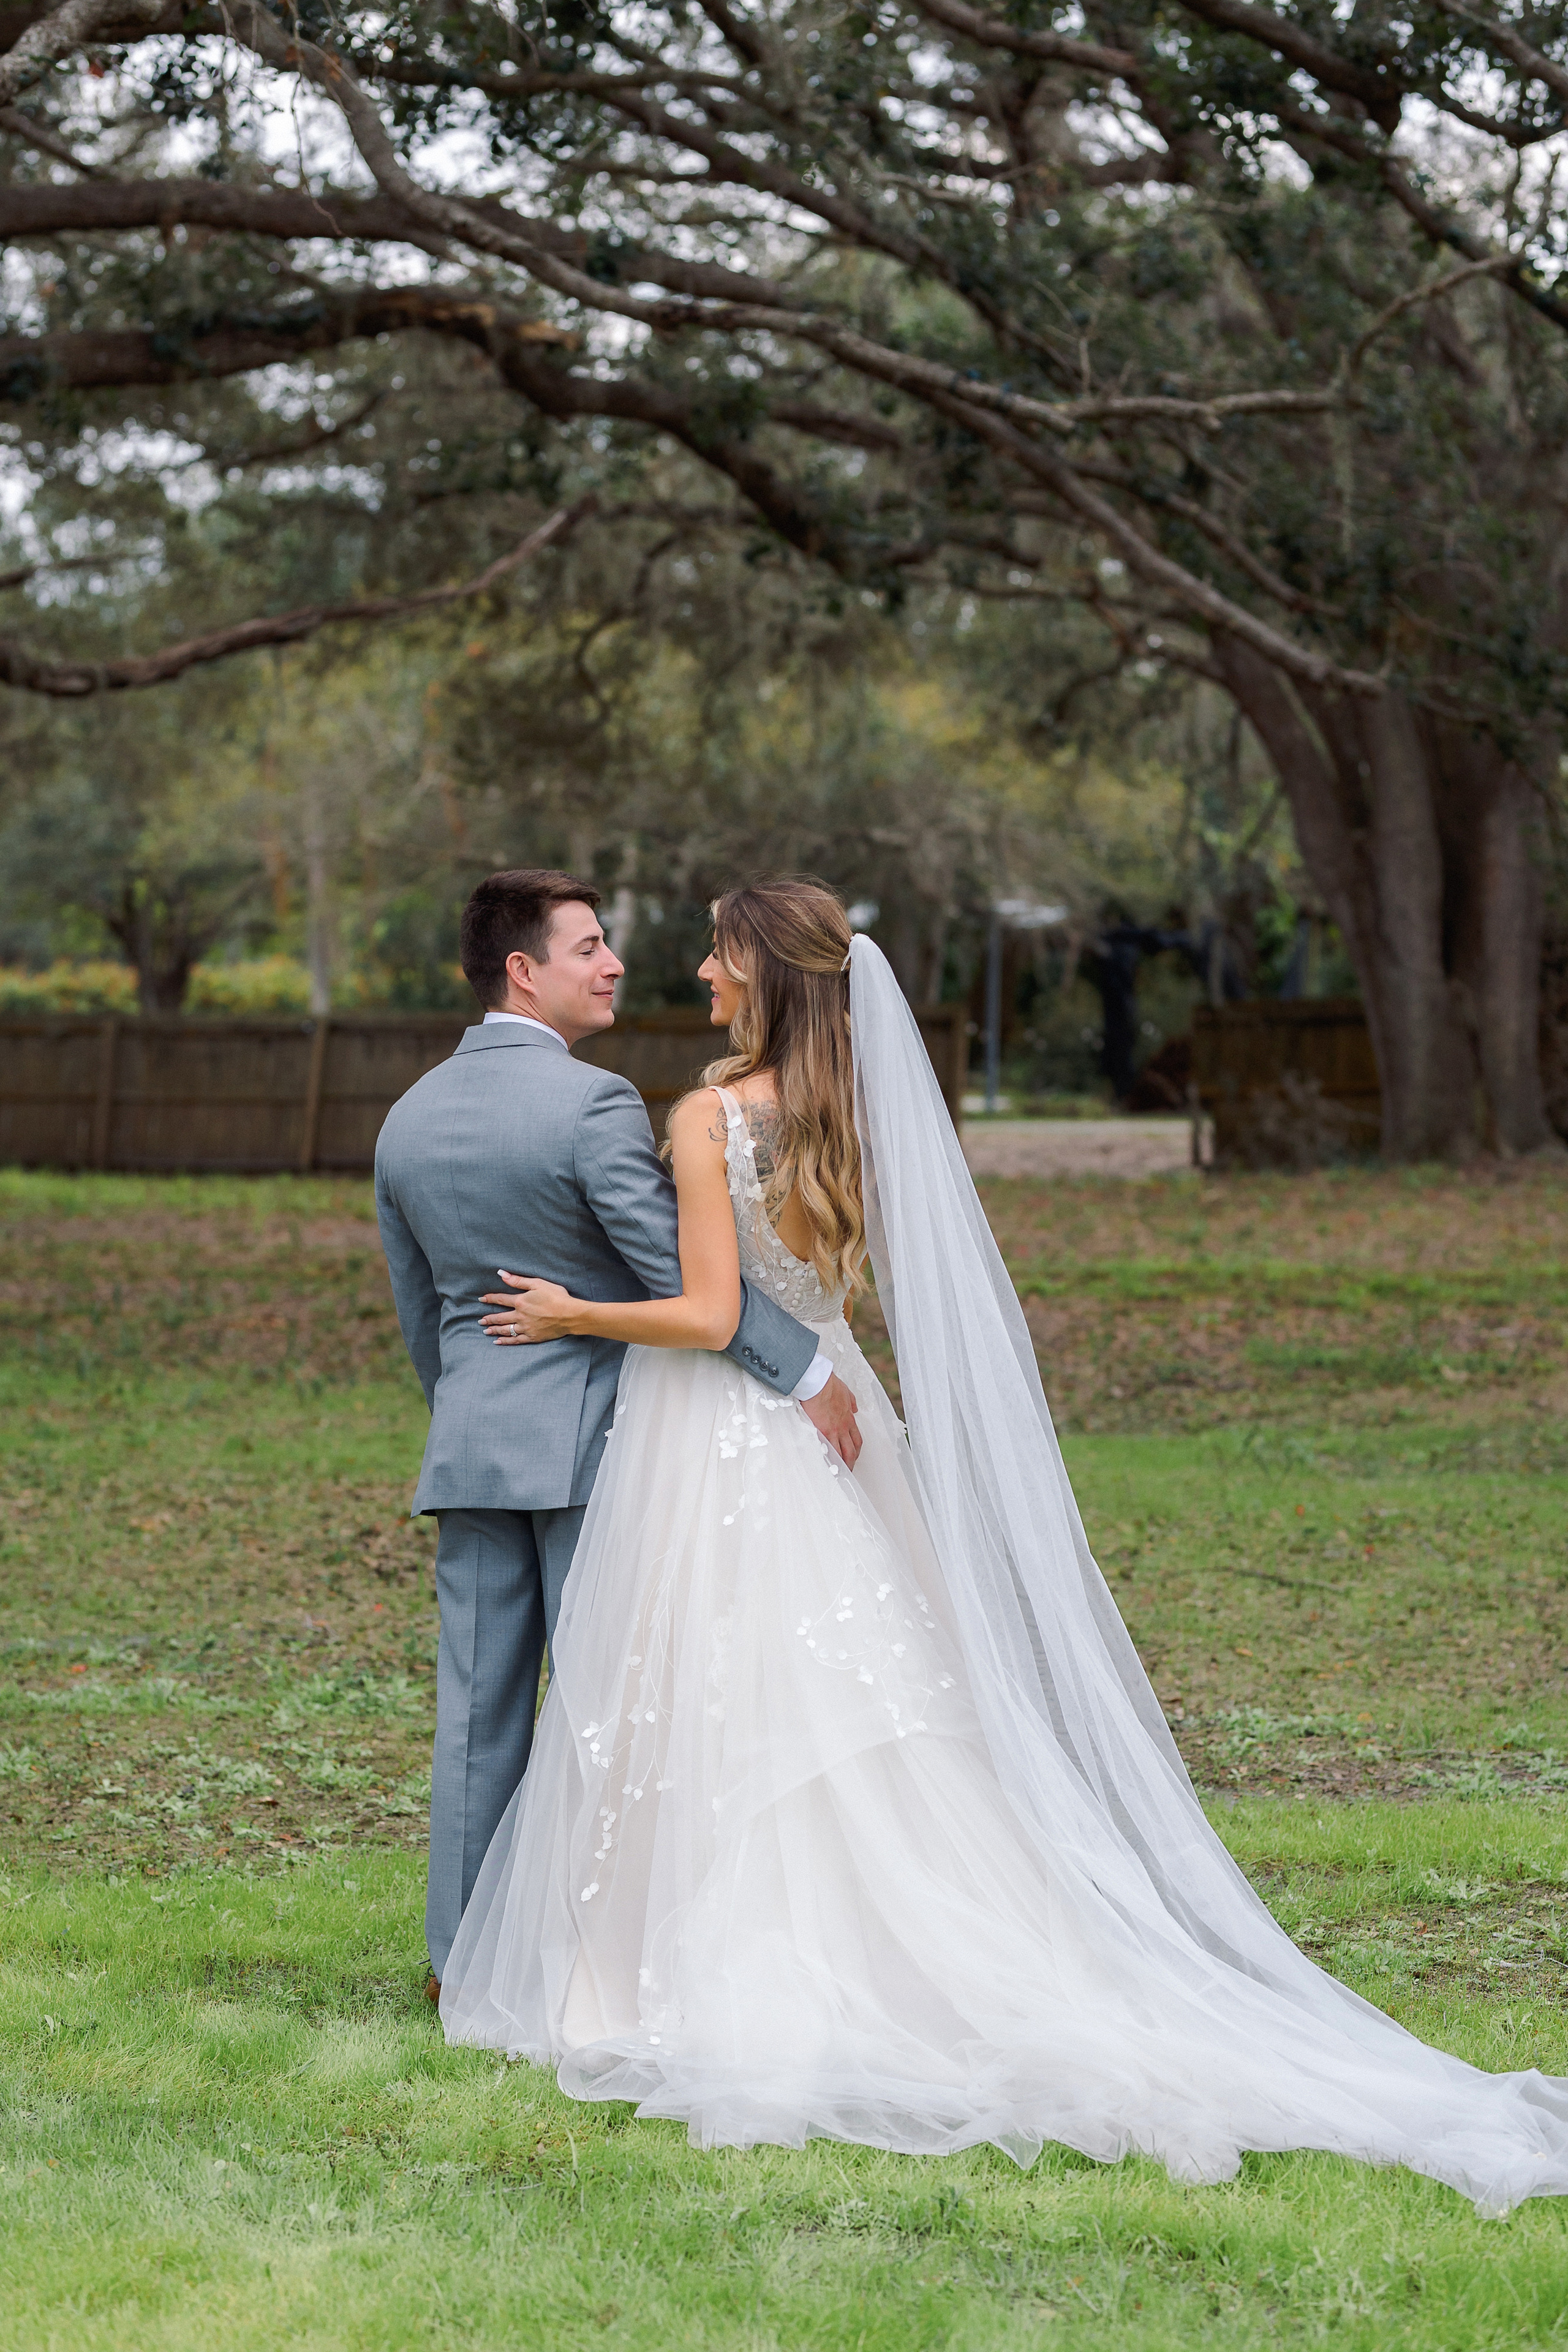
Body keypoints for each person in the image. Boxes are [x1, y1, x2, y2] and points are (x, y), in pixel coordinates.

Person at [439, 875, 1568, 2217]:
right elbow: (805, 1297)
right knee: (855, 1693)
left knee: (707, 1689)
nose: (694, 969)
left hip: (721, 1436)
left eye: (720, 954)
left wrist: (573, 1311)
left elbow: (701, 1313)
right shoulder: (847, 1117)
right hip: (837, 1419)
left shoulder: (705, 1117)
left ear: (769, 975)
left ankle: (672, 1969)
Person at [374, 868, 862, 1996]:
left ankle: (461, 1965)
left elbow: (425, 1319)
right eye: (589, 947)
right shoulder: (592, 1105)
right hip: (603, 1448)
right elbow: (681, 1278)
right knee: (608, 1704)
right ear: (523, 970)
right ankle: (587, 1956)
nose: (614, 966)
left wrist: (473, 1419)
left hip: (476, 1449)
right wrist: (808, 1373)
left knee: (477, 1716)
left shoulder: (408, 1118)